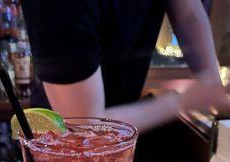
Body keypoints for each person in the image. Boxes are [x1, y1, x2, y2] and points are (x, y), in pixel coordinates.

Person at [21, 0, 229, 133]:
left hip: (126, 125)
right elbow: (84, 126)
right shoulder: (56, 6)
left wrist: (214, 87)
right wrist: (183, 101)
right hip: (63, 142)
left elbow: (188, 10)